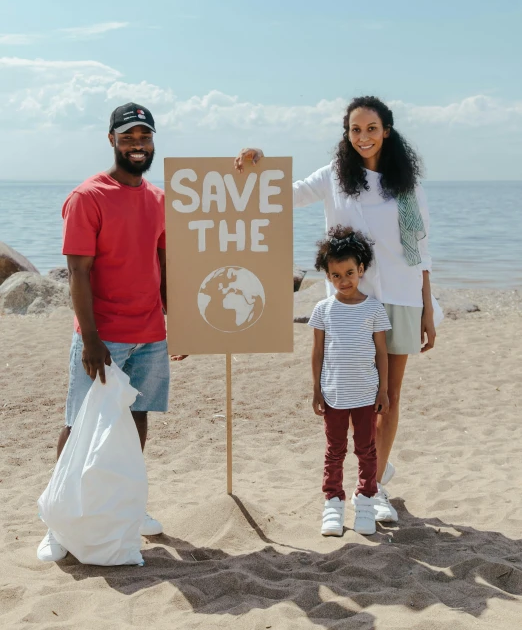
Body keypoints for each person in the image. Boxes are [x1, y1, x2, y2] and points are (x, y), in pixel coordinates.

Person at [235, 95, 437, 522]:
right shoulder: (334, 178)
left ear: (387, 131)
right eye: (355, 130)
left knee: (388, 396)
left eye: (372, 129)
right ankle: (370, 474)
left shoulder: (406, 184)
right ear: (346, 135)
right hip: (348, 304)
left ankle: (375, 484)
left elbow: (420, 250)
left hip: (400, 296)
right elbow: (283, 196)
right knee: (351, 396)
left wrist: (427, 308)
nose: (363, 137)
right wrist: (261, 162)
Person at [37, 102, 187, 563]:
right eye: (129, 137)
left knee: (136, 420)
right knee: (79, 424)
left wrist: (175, 321)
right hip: (104, 336)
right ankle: (57, 524)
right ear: (112, 141)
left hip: (150, 333)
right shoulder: (88, 197)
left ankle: (128, 507)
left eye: (144, 136)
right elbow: (78, 273)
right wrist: (91, 338)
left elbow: (163, 265)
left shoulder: (159, 199)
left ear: (153, 141)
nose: (137, 145)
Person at [310, 226, 391, 536]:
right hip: (332, 395)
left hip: (366, 395)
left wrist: (383, 389)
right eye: (335, 275)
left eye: (348, 273)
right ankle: (332, 501)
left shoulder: (373, 308)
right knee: (334, 450)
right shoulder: (323, 310)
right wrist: (316, 389)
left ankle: (366, 499)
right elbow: (317, 353)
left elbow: (381, 353)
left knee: (367, 450)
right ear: (328, 277)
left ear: (360, 270)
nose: (343, 281)